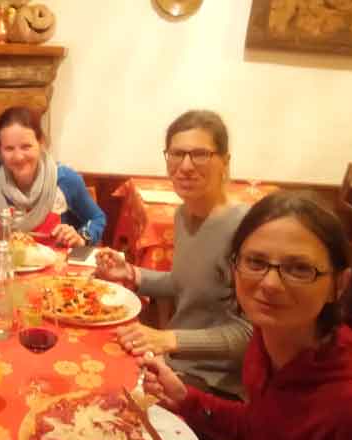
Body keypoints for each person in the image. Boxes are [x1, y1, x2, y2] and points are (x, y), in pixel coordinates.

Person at [140, 190, 352, 440]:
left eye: (299, 268)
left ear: (339, 285)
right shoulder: (267, 341)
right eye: (255, 262)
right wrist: (186, 398)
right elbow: (263, 426)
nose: (270, 283)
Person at [96, 110, 251, 396]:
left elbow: (250, 335)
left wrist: (168, 339)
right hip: (177, 362)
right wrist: (131, 273)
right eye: (177, 154)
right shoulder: (183, 215)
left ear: (225, 162)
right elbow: (185, 283)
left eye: (200, 154)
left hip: (216, 383)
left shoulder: (245, 229)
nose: (186, 166)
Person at [0, 106, 106, 248]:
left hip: (54, 270)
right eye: (9, 149)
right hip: (4, 266)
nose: (18, 157)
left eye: (26, 147)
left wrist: (81, 237)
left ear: (41, 143)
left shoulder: (65, 179)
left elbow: (97, 218)